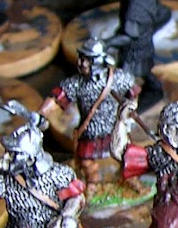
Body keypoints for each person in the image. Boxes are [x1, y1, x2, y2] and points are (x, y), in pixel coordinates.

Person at [37, 38, 141, 197]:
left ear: (97, 61)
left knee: (126, 155)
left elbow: (133, 91)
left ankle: (131, 179)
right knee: (85, 160)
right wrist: (40, 114)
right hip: (90, 130)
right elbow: (56, 98)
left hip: (115, 127)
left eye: (86, 60)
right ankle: (93, 182)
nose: (81, 63)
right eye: (81, 58)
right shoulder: (76, 84)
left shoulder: (117, 78)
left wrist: (130, 112)